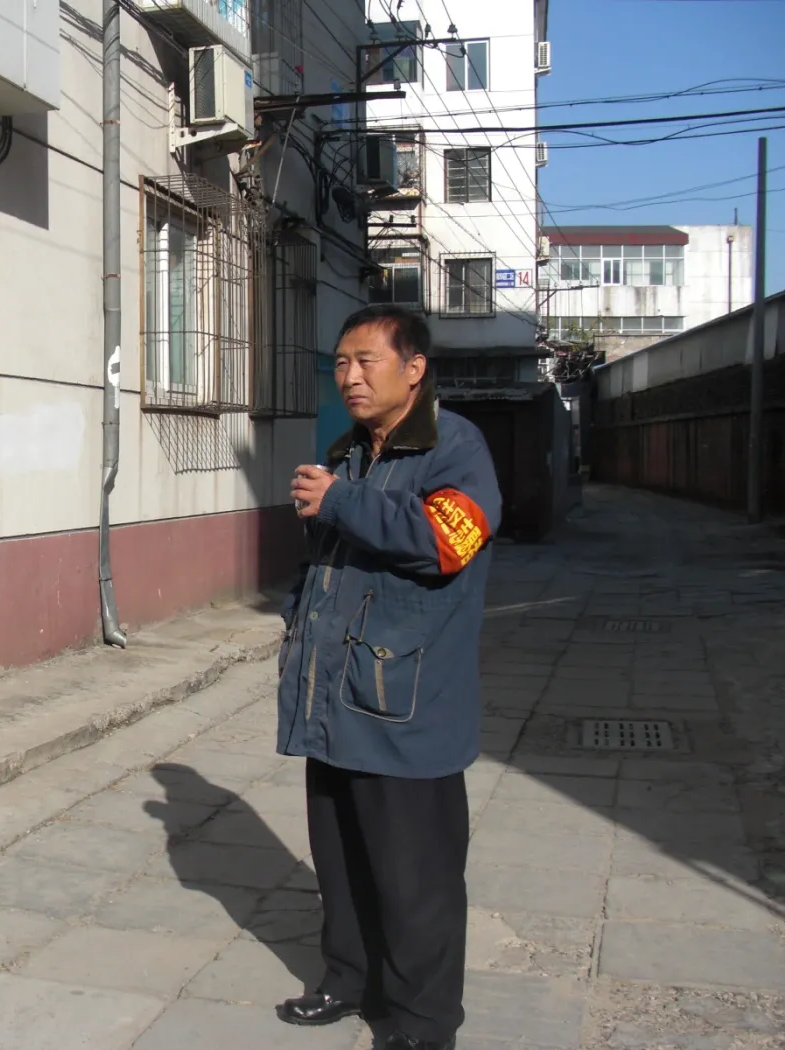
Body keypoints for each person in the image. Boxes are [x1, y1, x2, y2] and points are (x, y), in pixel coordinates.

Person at [275, 305, 501, 1050]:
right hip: (334, 699)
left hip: (406, 706)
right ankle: (349, 980)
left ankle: (423, 1024)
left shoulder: (454, 447)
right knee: (342, 863)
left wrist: (341, 501)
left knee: (416, 883)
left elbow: (446, 542)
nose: (350, 376)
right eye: (342, 362)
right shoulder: (348, 453)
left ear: (415, 369)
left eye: (367, 360)